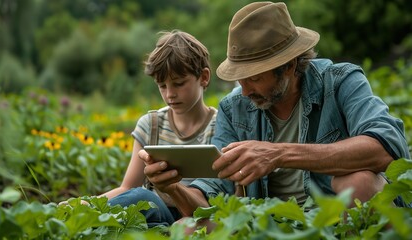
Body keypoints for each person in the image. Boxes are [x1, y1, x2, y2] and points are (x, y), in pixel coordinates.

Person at [139, 1, 411, 230]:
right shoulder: (233, 108)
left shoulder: (340, 82)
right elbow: (209, 196)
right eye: (239, 80)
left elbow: (387, 147)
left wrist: (278, 154)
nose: (244, 91)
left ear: (290, 65)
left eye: (254, 78)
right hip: (269, 226)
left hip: (335, 221)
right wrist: (173, 187)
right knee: (185, 227)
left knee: (358, 183)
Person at [61, 30, 217, 227]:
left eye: (179, 83)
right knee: (143, 199)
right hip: (155, 212)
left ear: (203, 77)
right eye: (162, 86)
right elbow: (128, 187)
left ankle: (78, 224)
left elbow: (213, 201)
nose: (170, 94)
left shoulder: (219, 127)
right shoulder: (151, 124)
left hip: (199, 216)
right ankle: (79, 221)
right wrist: (86, 203)